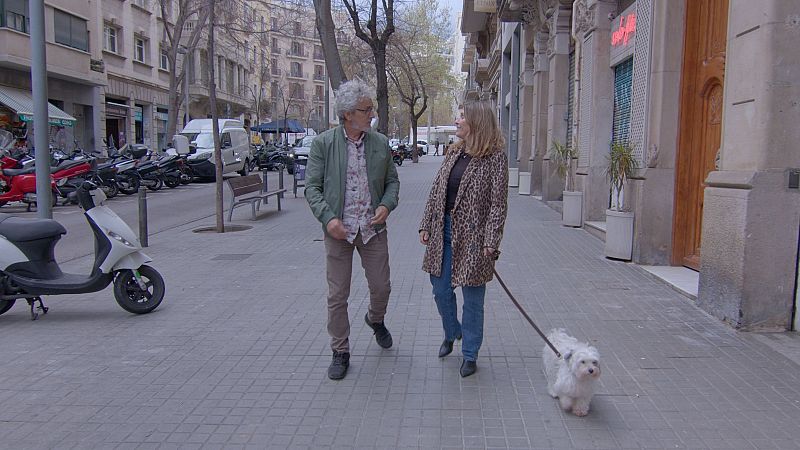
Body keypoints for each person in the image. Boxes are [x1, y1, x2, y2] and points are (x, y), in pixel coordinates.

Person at [305, 79, 400, 380]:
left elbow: (392, 182)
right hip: (339, 232)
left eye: (371, 109)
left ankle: (375, 319)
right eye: (365, 110)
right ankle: (340, 351)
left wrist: (386, 204)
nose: (371, 115)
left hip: (372, 229)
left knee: (382, 286)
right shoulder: (323, 144)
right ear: (347, 114)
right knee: (338, 294)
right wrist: (328, 218)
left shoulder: (380, 143)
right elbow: (312, 188)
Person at [418, 100, 508, 378]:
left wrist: (491, 241)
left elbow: (498, 204)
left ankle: (470, 353)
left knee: (473, 299)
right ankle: (451, 331)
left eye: (461, 117)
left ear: (476, 122)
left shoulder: (495, 158)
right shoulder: (453, 152)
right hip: (442, 231)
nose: (457, 122)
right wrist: (426, 224)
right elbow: (437, 190)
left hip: (475, 238)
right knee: (440, 289)